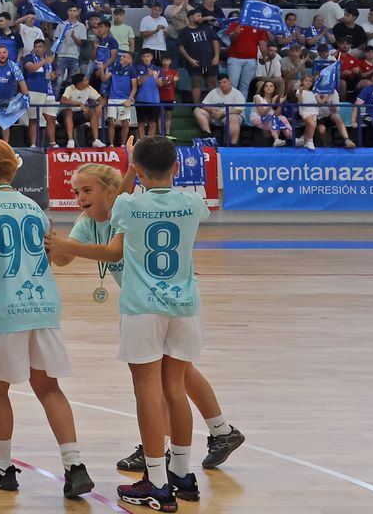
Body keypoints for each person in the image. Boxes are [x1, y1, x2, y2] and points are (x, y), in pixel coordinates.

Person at [46, 159, 244, 481]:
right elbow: (66, 257)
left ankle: (164, 448)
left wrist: (129, 169)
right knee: (177, 375)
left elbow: (113, 250)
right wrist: (56, 245)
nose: (79, 197)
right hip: (154, 302)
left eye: (86, 190)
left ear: (110, 191)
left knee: (162, 381)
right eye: (76, 191)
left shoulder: (131, 208)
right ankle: (219, 431)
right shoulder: (87, 220)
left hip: (160, 300)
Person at [0, 139, 94, 500]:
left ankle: (1, 467)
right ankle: (74, 464)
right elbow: (48, 258)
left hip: (3, 309)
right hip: (43, 305)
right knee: (49, 388)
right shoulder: (35, 209)